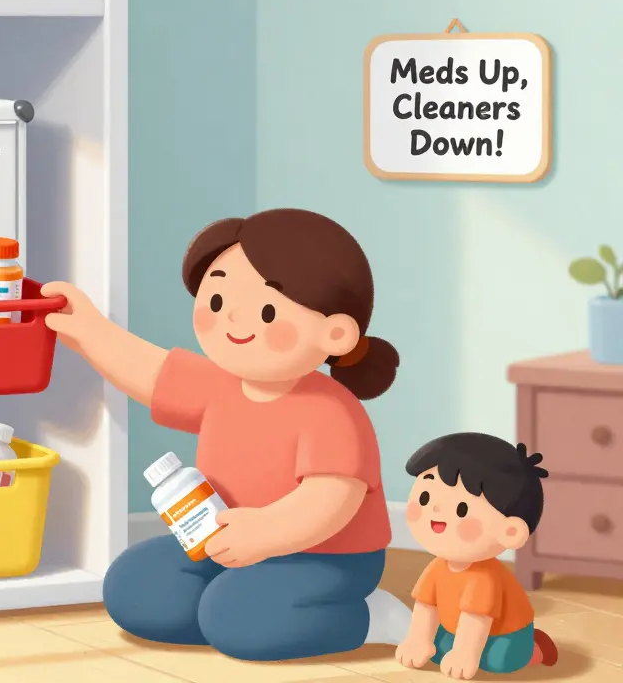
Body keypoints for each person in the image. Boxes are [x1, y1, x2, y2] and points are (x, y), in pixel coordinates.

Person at [42, 208, 411, 661]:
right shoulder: (222, 383)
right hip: (227, 542)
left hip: (327, 557)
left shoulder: (331, 410)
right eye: (216, 301)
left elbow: (331, 500)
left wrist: (268, 532)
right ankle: (242, 605)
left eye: (268, 311)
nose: (231, 320)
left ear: (334, 333)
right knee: (134, 586)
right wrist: (89, 330)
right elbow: (149, 371)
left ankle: (369, 615)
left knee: (237, 619)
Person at [396, 433, 559, 679]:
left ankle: (534, 647)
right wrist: (418, 641)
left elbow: (477, 618)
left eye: (462, 509)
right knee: (439, 652)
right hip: (456, 626)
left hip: (506, 632)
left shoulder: (484, 577)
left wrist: (464, 653)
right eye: (425, 497)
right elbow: (426, 606)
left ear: (511, 531)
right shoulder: (437, 567)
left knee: (498, 661)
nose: (435, 510)